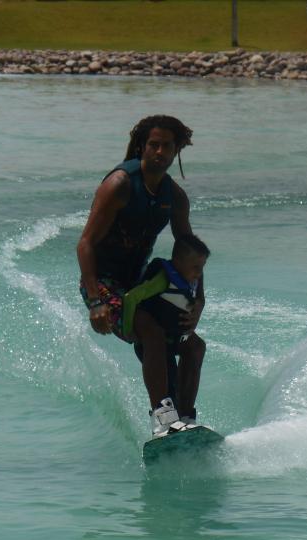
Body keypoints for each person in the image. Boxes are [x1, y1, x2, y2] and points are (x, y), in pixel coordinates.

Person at [77, 115, 206, 439]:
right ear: (142, 147)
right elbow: (85, 243)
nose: (160, 152)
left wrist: (198, 300)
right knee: (151, 331)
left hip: (138, 283)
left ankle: (185, 420)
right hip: (102, 282)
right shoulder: (120, 185)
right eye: (154, 145)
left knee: (193, 345)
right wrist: (95, 301)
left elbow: (190, 249)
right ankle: (163, 419)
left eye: (167, 146)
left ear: (177, 150)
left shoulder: (174, 197)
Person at [121, 234, 210, 436]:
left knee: (197, 347)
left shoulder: (188, 280)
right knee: (168, 387)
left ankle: (186, 419)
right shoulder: (163, 279)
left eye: (202, 267)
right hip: (153, 344)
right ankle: (163, 424)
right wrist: (128, 332)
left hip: (174, 340)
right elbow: (130, 298)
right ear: (178, 262)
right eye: (195, 267)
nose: (199, 273)